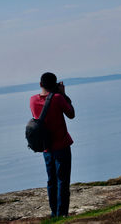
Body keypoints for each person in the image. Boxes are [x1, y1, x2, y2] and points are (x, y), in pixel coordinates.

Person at [30, 72, 75, 218]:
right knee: (63, 180)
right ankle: (62, 214)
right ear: (55, 84)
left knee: (51, 180)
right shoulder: (58, 98)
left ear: (40, 84)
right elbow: (71, 114)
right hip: (61, 145)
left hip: (46, 147)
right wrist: (63, 94)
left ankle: (54, 212)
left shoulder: (32, 100)